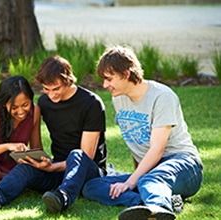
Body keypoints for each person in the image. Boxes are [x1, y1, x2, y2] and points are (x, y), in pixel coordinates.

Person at [0, 55, 107, 213]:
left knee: (76, 154)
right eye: (46, 89)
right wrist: (41, 161)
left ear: (69, 80)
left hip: (89, 171)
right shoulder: (45, 103)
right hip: (59, 170)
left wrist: (52, 167)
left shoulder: (91, 103)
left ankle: (62, 198)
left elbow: (87, 155)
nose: (51, 95)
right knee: (26, 167)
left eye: (56, 89)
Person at [81, 45, 203, 220]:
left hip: (184, 165)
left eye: (109, 79)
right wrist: (134, 178)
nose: (105, 85)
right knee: (92, 186)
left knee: (148, 180)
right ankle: (145, 203)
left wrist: (132, 182)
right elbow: (136, 142)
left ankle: (158, 209)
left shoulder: (162, 97)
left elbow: (157, 149)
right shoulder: (119, 99)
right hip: (152, 170)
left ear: (126, 73)